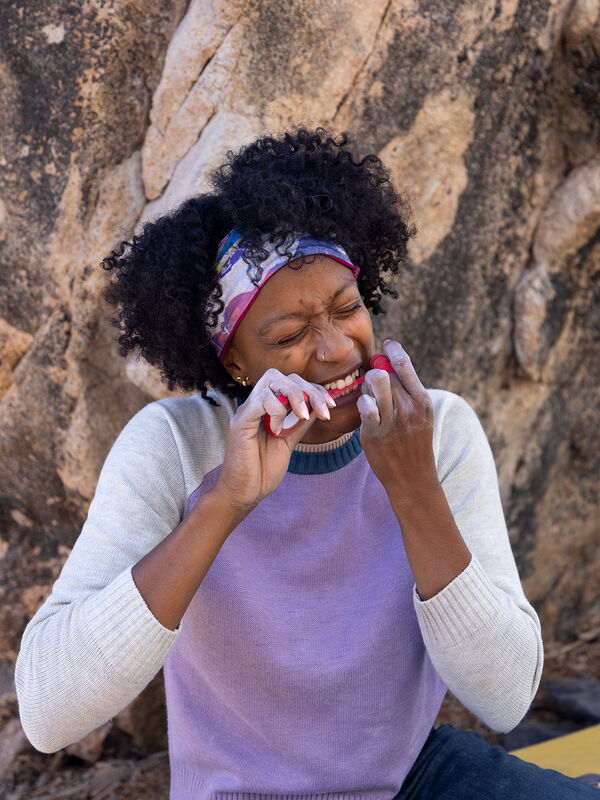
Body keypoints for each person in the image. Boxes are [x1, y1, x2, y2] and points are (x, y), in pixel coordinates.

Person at [15, 128, 597, 799]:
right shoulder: (173, 446)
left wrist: (413, 489)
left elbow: (505, 698)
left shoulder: (436, 431)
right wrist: (222, 505)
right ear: (234, 361)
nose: (334, 349)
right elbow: (48, 713)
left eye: (347, 309)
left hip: (411, 780)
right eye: (290, 336)